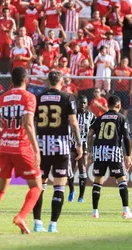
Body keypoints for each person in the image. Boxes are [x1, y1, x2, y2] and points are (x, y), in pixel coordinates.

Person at [0, 67, 42, 234]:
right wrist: (36, 149)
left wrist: (6, 136)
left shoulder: (2, 98)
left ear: (11, 81)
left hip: (5, 147)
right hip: (22, 147)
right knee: (37, 186)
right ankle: (22, 216)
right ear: (26, 80)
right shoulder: (29, 97)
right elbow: (28, 123)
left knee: (1, 187)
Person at [33, 70, 82, 233]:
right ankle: (53, 224)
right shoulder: (68, 97)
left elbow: (31, 122)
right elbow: (74, 124)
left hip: (41, 146)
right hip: (60, 146)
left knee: (39, 185)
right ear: (61, 82)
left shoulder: (38, 98)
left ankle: (37, 223)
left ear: (48, 82)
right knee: (59, 186)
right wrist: (79, 144)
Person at [87, 95, 132, 219]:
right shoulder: (122, 118)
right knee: (121, 179)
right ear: (119, 105)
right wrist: (128, 156)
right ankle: (126, 211)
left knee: (98, 180)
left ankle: (95, 212)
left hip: (99, 151)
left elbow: (90, 134)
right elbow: (126, 137)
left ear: (107, 105)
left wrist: (89, 151)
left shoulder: (100, 118)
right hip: (113, 150)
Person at [67, 96, 96, 203]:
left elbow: (94, 130)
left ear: (87, 104)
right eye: (81, 103)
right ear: (78, 103)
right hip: (72, 144)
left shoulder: (91, 116)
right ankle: (71, 190)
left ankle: (81, 196)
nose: (83, 105)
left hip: (83, 145)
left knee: (82, 169)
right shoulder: (71, 114)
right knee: (70, 169)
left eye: (85, 103)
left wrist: (91, 149)